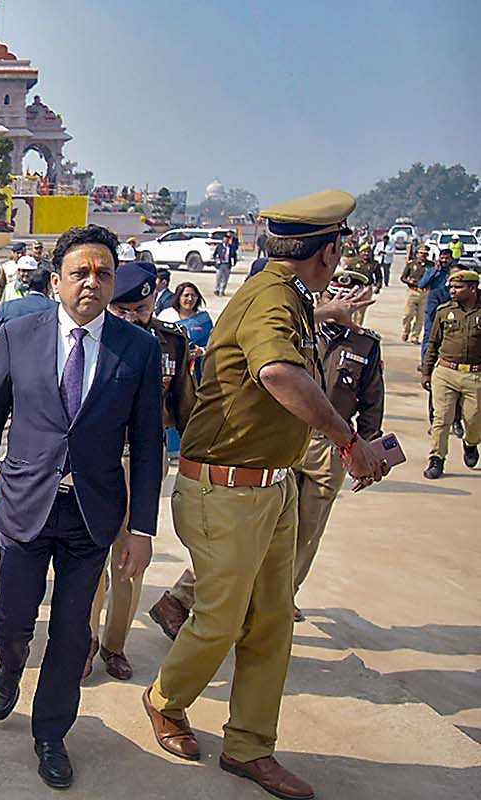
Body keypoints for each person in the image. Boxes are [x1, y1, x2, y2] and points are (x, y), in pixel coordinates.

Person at [144, 190, 388, 800]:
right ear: (329, 252)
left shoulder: (294, 297)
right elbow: (278, 372)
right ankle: (164, 700)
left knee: (272, 621)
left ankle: (250, 745)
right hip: (223, 489)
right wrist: (347, 441)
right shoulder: (273, 298)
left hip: (271, 487)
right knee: (221, 619)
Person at [0, 224, 163, 790]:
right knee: (13, 618)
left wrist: (142, 529)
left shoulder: (139, 348)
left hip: (93, 515)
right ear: (56, 281)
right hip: (26, 505)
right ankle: (9, 664)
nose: (92, 283)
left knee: (73, 631)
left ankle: (50, 734)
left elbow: (148, 445)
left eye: (104, 273)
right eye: (80, 272)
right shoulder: (17, 335)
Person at [86, 263, 194, 682]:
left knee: (129, 562)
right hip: (97, 459)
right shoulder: (91, 335)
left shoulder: (172, 342)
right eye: (122, 310)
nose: (132, 318)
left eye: (141, 308)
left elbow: (187, 407)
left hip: (144, 461)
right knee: (89, 558)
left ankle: (115, 644)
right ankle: (86, 640)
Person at [290, 269, 385, 618]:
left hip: (329, 446)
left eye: (349, 298)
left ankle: (284, 596)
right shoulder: (300, 326)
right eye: (334, 296)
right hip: (285, 436)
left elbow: (372, 403)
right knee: (262, 521)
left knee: (308, 530)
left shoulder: (366, 345)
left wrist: (370, 450)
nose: (341, 303)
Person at [419, 268, 481, 478]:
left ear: (472, 288)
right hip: (446, 372)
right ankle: (437, 459)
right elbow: (433, 343)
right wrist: (426, 372)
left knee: (474, 420)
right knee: (441, 418)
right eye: (451, 286)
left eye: (458, 287)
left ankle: (471, 443)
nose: (452, 291)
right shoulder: (444, 311)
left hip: (475, 375)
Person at [157, 282, 214, 348]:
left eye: (193, 295)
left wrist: (201, 351)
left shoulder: (203, 319)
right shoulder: (166, 316)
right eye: (186, 295)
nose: (190, 299)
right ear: (178, 297)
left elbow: (211, 342)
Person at [420, 249, 456, 354]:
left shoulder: (453, 272)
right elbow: (422, 284)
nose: (444, 260)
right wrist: (435, 271)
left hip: (449, 306)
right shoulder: (432, 271)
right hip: (433, 307)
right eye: (442, 258)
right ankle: (425, 362)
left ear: (451, 259)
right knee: (429, 335)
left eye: (447, 258)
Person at [400, 246, 431, 343]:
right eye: (421, 253)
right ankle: (406, 330)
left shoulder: (431, 265)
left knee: (420, 317)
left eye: (425, 254)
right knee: (407, 314)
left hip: (425, 292)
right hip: (412, 291)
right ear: (417, 254)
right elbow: (403, 277)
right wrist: (409, 281)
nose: (423, 255)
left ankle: (415, 336)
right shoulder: (411, 264)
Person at [213, 232, 234, 296]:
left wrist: (234, 262)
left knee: (225, 279)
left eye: (227, 239)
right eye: (225, 239)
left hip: (227, 264)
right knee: (218, 278)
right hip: (220, 264)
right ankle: (217, 289)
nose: (226, 241)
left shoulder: (230, 247)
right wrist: (217, 260)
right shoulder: (219, 246)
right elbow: (214, 255)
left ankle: (222, 290)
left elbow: (233, 255)